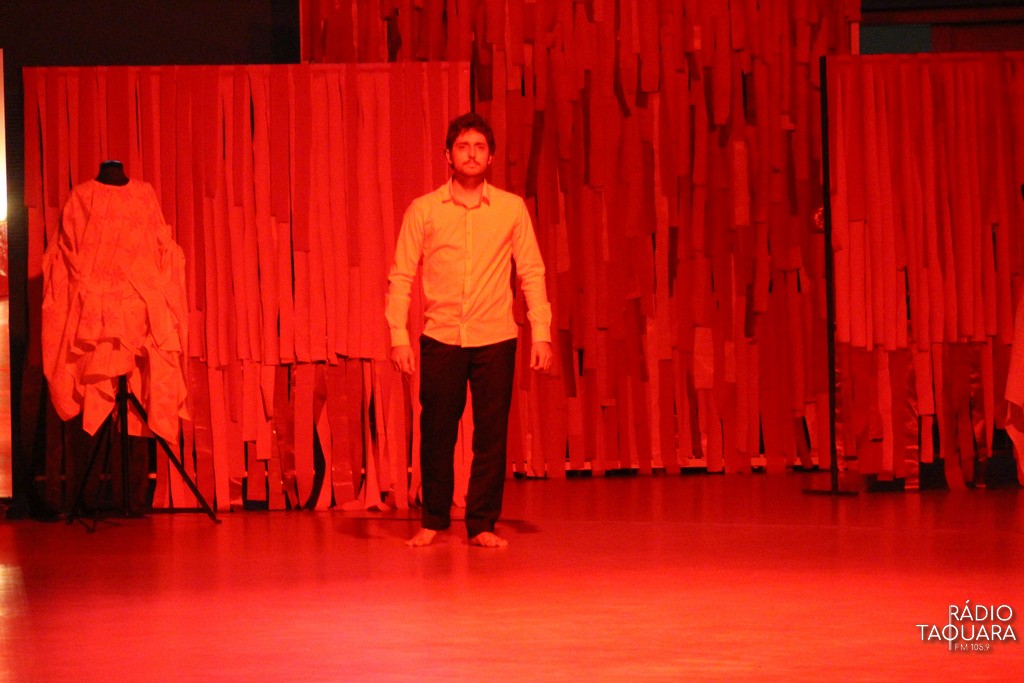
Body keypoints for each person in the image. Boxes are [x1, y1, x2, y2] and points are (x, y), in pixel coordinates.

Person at [385, 112, 553, 548]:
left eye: (479, 147)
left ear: (491, 156)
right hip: (441, 335)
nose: (472, 154)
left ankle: (481, 524)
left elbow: (531, 271)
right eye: (463, 147)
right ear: (448, 155)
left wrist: (542, 331)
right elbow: (401, 275)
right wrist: (398, 336)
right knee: (437, 431)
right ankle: (433, 518)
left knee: (491, 434)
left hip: (495, 335)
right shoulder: (424, 209)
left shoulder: (511, 209)